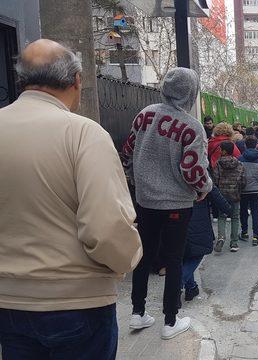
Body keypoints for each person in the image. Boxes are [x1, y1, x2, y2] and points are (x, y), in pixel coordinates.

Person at [0, 39, 142, 360]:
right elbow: (106, 229)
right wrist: (127, 262)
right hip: (77, 301)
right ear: (77, 81)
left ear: (22, 78)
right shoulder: (83, 133)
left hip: (8, 301)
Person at [122, 67, 212, 339]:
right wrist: (204, 187)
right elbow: (191, 168)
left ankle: (138, 313)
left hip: (146, 199)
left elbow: (127, 151)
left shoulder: (144, 114)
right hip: (176, 203)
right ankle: (170, 320)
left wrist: (134, 178)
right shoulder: (192, 126)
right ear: (191, 93)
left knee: (144, 255)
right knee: (174, 259)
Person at [181, 185, 231, 303]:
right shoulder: (196, 169)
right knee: (197, 253)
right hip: (197, 219)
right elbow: (211, 189)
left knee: (186, 254)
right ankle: (177, 284)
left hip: (177, 217)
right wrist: (228, 208)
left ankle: (191, 287)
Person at [212, 141, 246, 253]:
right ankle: (234, 243)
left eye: (221, 149)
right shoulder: (239, 164)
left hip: (222, 195)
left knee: (222, 217)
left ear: (224, 151)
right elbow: (243, 181)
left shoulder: (218, 164)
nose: (219, 151)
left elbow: (215, 180)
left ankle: (221, 237)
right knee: (235, 218)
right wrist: (239, 190)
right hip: (235, 194)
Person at [239, 136, 258, 245]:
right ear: (257, 144)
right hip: (256, 190)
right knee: (256, 213)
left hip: (243, 190)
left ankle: (244, 233)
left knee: (243, 212)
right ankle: (256, 236)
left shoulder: (240, 158)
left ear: (245, 145)